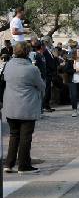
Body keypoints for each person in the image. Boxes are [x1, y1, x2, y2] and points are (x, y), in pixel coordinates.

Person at [2, 42, 45, 174]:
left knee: (14, 135)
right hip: (27, 106)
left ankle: (9, 164)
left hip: (10, 106)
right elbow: (41, 86)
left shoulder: (8, 65)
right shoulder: (32, 69)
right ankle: (24, 166)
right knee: (25, 137)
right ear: (27, 53)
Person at [64, 48, 79, 117]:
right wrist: (75, 70)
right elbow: (66, 70)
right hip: (73, 81)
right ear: (75, 53)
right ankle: (74, 110)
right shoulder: (70, 61)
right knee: (74, 95)